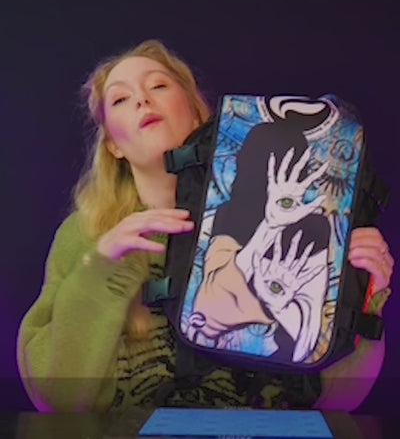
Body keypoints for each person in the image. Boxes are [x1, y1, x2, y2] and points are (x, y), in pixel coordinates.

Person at [16, 39, 394, 413]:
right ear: (113, 144)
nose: (142, 100)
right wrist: (101, 268)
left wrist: (366, 298)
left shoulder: (284, 223)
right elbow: (56, 399)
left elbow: (340, 402)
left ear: (197, 116)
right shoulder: (87, 234)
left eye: (158, 86)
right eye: (120, 99)